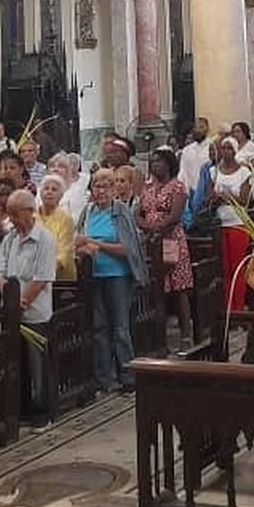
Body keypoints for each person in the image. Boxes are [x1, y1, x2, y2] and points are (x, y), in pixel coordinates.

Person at [75, 167, 149, 395]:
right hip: (94, 275)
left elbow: (127, 248)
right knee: (99, 327)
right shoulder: (88, 211)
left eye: (106, 186)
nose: (101, 191)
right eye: (97, 186)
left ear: (113, 189)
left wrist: (98, 244)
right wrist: (83, 247)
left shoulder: (120, 211)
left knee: (120, 327)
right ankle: (105, 378)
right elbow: (78, 239)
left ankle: (128, 376)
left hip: (117, 275)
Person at [0, 189, 60, 425]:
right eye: (9, 214)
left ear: (30, 212)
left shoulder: (45, 240)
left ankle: (43, 413)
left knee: (37, 368)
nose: (12, 220)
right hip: (11, 313)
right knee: (16, 366)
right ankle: (21, 411)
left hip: (34, 314)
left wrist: (20, 303)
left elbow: (41, 279)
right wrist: (8, 296)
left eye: (16, 214)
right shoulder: (10, 239)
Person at [137, 148, 193, 351]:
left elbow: (174, 216)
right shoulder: (147, 188)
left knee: (178, 287)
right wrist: (148, 227)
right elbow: (139, 214)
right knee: (158, 287)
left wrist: (157, 228)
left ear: (169, 164)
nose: (155, 165)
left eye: (159, 161)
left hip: (171, 240)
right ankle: (160, 339)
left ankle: (186, 334)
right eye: (152, 162)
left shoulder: (177, 186)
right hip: (151, 241)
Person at [209, 138, 254, 312]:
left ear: (235, 151)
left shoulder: (244, 172)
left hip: (237, 223)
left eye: (229, 148)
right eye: (223, 148)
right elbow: (209, 196)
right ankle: (227, 307)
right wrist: (218, 198)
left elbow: (244, 199)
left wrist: (224, 196)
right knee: (224, 268)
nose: (226, 151)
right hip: (219, 224)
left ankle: (238, 307)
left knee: (237, 267)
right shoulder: (214, 171)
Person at [37, 173, 77, 278]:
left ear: (61, 195)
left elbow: (64, 252)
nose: (49, 192)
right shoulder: (32, 217)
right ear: (40, 192)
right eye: (46, 188)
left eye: (54, 190)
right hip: (33, 275)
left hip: (60, 276)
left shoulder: (66, 219)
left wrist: (45, 270)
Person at [179, 117, 213, 191]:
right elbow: (182, 172)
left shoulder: (212, 148)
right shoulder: (187, 150)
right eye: (195, 128)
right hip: (190, 190)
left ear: (207, 129)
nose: (197, 130)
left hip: (207, 190)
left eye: (201, 127)